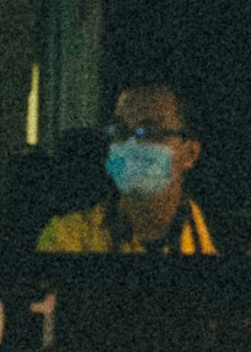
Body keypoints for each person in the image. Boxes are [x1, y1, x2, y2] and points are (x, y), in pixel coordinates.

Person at [36, 79, 216, 260]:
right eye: (121, 131)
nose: (130, 145)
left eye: (150, 132)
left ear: (190, 154)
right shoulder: (68, 239)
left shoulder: (219, 240)